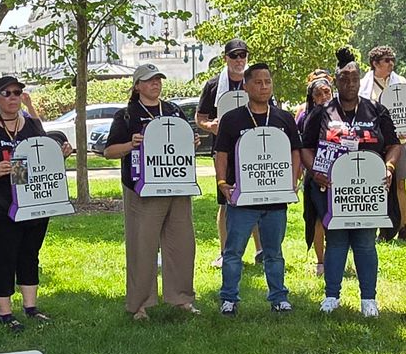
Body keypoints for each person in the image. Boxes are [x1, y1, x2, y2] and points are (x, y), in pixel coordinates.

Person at [0, 75, 73, 331]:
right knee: (4, 257)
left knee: (30, 254)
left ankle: (30, 307)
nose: (13, 97)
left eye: (17, 92)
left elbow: (46, 157)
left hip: (34, 202)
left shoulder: (31, 126)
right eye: (7, 93)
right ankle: (5, 312)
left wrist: (60, 154)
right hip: (1, 204)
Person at [300, 60, 400, 317]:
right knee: (336, 240)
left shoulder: (376, 110)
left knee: (366, 241)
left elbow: (394, 144)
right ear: (336, 81)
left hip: (367, 189)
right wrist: (315, 172)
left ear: (359, 80)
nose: (350, 84)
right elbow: (305, 148)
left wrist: (388, 168)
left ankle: (369, 299)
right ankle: (331, 296)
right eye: (344, 79)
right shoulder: (322, 112)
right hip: (330, 188)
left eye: (354, 78)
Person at [103, 64, 199, 320]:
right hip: (142, 189)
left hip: (177, 186)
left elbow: (183, 141)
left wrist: (191, 141)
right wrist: (130, 144)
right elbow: (109, 151)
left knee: (182, 244)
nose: (155, 84)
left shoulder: (173, 110)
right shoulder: (126, 115)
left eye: (158, 79)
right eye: (148, 80)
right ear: (137, 86)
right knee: (142, 246)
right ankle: (140, 305)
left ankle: (181, 298)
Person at [215, 62, 302, 315]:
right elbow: (221, 154)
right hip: (242, 200)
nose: (264, 87)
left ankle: (278, 297)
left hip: (275, 200)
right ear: (246, 86)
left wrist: (293, 180)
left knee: (274, 252)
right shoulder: (232, 119)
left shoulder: (283, 118)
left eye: (268, 82)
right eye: (258, 82)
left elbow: (295, 151)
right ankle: (229, 298)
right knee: (233, 251)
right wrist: (222, 183)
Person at [196, 38, 261, 267]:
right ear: (226, 58)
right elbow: (200, 118)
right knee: (225, 201)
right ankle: (225, 252)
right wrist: (211, 126)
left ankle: (260, 250)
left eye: (242, 55)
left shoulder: (254, 82)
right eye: (234, 56)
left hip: (253, 149)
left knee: (253, 198)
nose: (239, 60)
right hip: (223, 150)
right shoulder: (214, 85)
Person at [360, 46, 406, 242]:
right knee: (376, 185)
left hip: (398, 141)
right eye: (386, 60)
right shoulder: (363, 87)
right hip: (374, 143)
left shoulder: (401, 83)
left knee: (400, 183)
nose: (391, 63)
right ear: (375, 63)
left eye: (392, 60)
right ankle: (377, 228)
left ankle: (404, 227)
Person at [297, 70, 334, 276]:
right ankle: (320, 261)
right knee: (318, 218)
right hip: (316, 174)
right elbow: (303, 147)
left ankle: (340, 258)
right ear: (312, 97)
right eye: (318, 94)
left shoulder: (342, 114)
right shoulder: (307, 116)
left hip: (338, 173)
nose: (323, 98)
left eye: (327, 92)